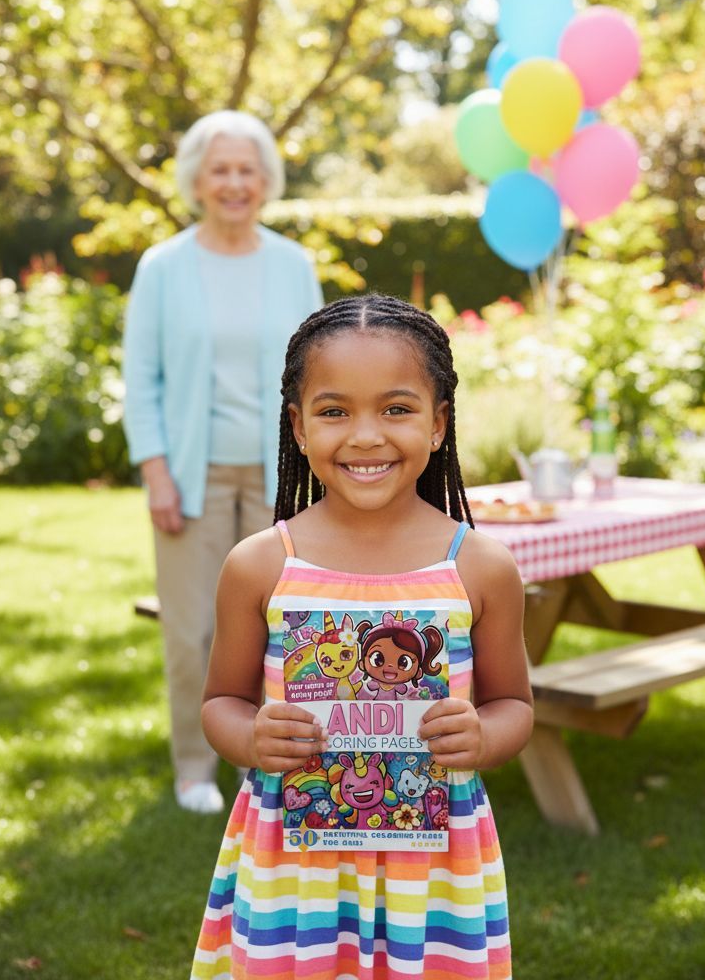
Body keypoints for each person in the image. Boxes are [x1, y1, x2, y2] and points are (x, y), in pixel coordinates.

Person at [190, 293, 533, 980]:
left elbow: (515, 705)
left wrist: (485, 736)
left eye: (397, 409)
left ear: (439, 424)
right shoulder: (261, 565)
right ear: (298, 427)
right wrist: (251, 738)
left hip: (434, 874)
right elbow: (220, 701)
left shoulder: (480, 567)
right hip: (296, 869)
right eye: (335, 410)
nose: (366, 436)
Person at [122, 110, 323, 815]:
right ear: (197, 181)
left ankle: (264, 760)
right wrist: (156, 473)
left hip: (281, 480)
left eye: (247, 169)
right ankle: (192, 767)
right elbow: (140, 378)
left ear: (265, 180)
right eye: (221, 169)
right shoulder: (165, 266)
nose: (235, 182)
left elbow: (318, 375)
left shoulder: (292, 264)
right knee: (194, 629)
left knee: (282, 624)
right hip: (192, 476)